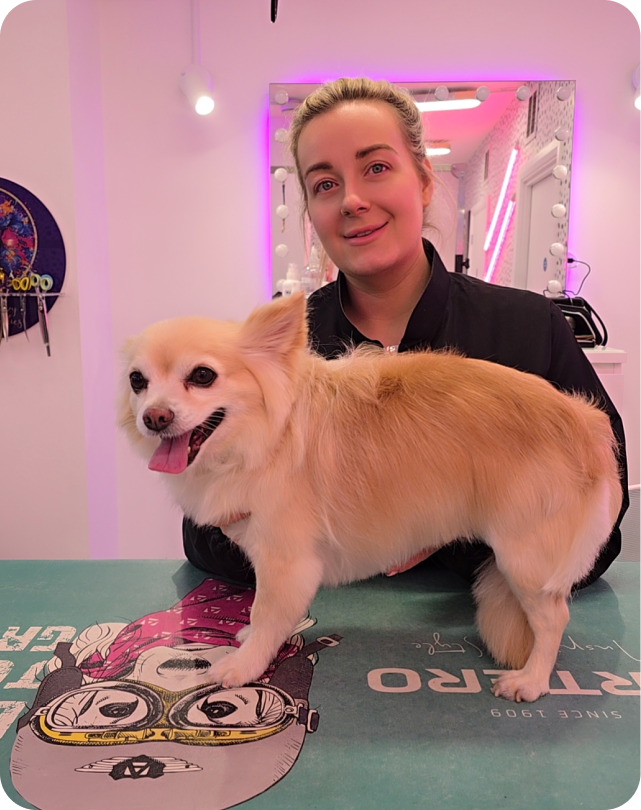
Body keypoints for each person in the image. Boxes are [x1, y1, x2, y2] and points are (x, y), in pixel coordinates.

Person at [183, 76, 628, 590]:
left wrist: (447, 520)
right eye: (325, 184)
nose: (351, 200)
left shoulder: (529, 330)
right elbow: (201, 532)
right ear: (311, 212)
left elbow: (604, 527)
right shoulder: (276, 355)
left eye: (375, 168)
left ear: (422, 180)